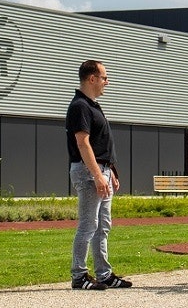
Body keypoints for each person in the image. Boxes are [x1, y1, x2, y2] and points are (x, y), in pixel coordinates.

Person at [66, 59, 132, 290]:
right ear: (92, 78)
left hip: (101, 170)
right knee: (88, 225)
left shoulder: (92, 105)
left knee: (103, 225)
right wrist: (96, 175)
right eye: (104, 77)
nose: (107, 81)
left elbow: (100, 143)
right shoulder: (80, 107)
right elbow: (83, 143)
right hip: (88, 172)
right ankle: (79, 275)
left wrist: (110, 170)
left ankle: (104, 274)